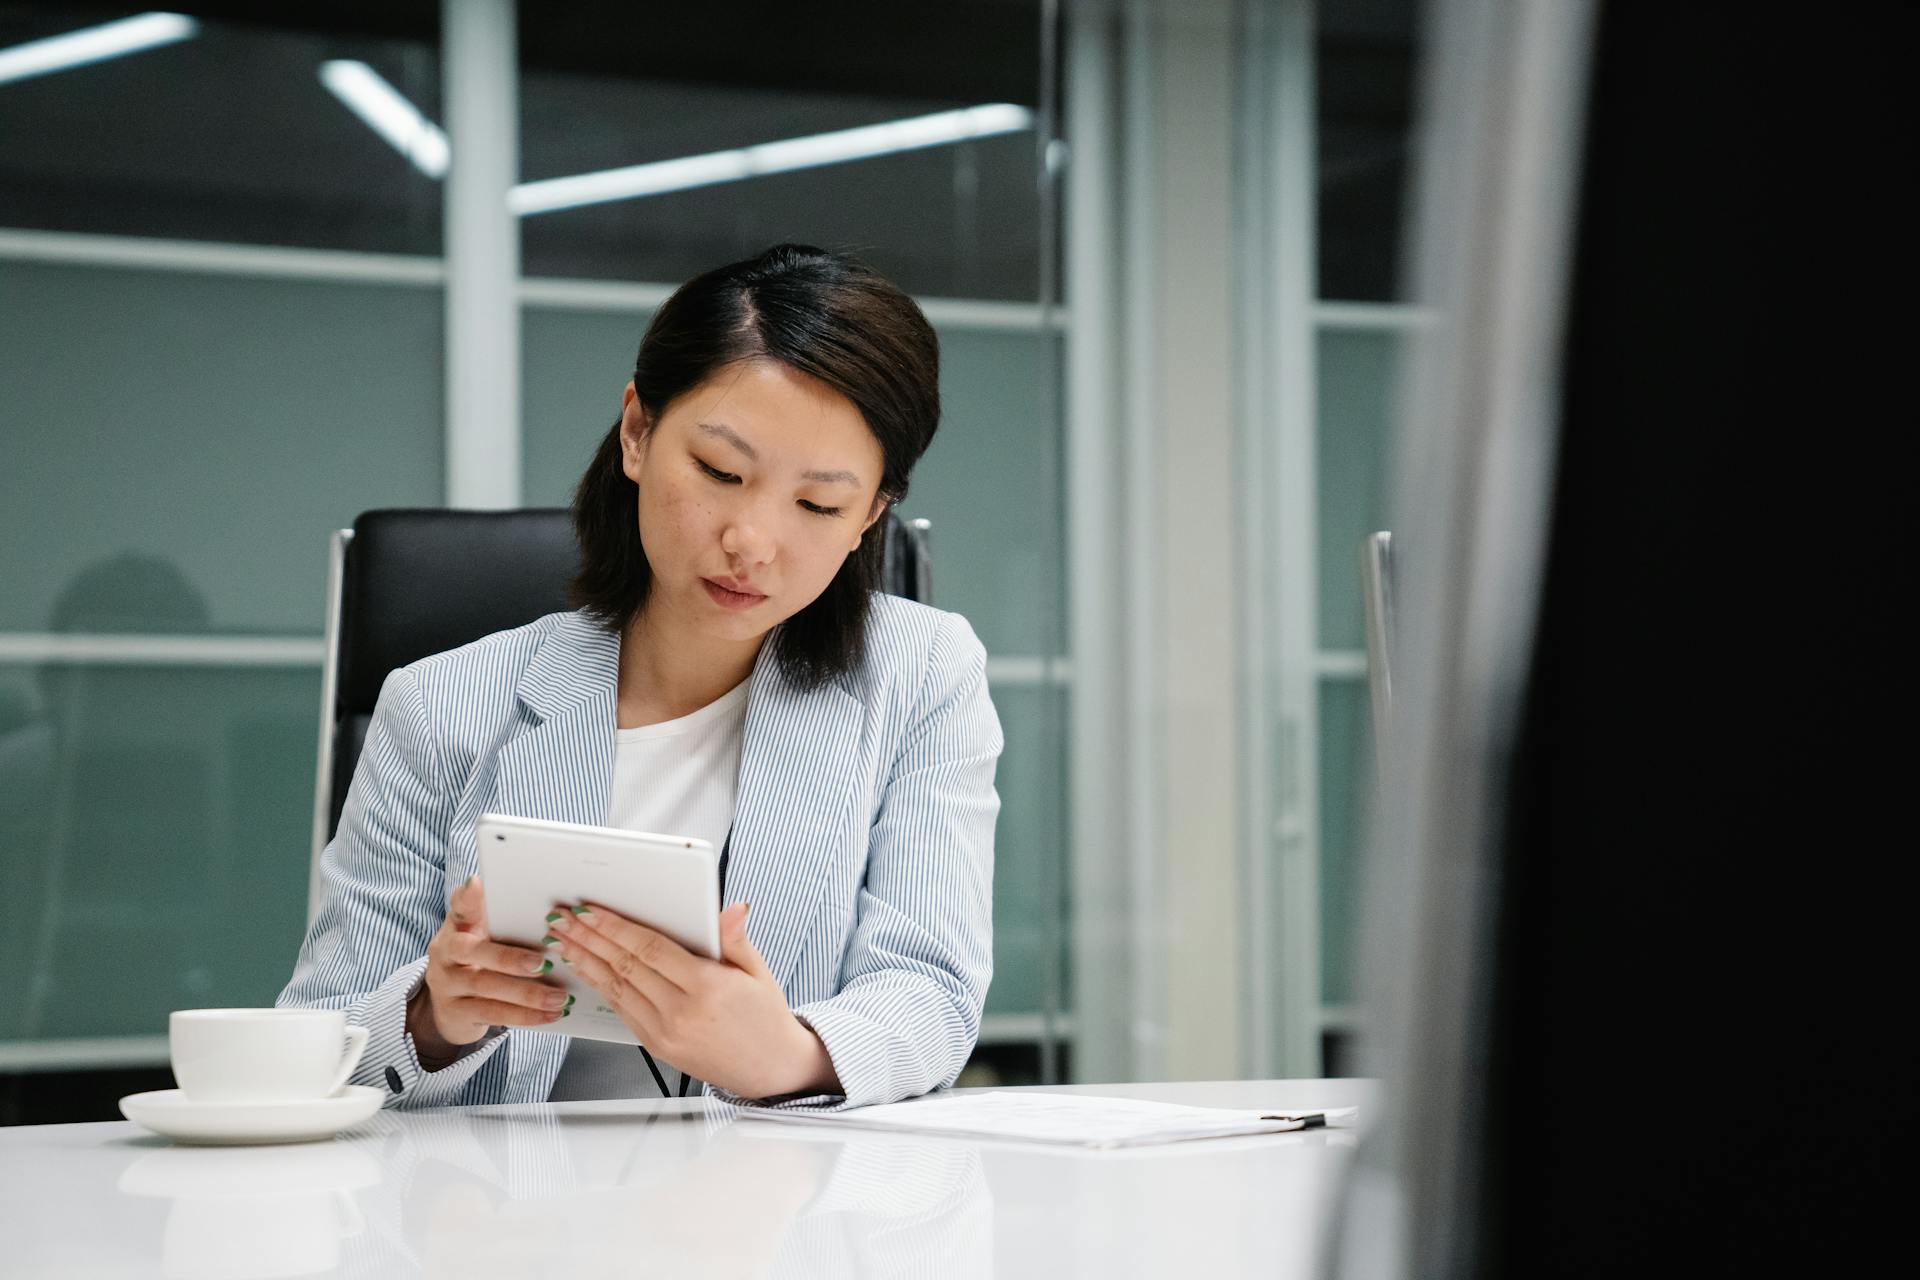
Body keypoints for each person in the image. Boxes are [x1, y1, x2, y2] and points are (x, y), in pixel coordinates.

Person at [276, 244, 1003, 1111]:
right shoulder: (438, 706)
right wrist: (434, 1016)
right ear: (637, 432)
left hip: (780, 1218)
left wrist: (786, 1054)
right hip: (496, 1223)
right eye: (721, 473)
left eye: (818, 505)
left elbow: (933, 994)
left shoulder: (923, 676)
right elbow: (319, 1041)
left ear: (871, 515)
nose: (752, 541)